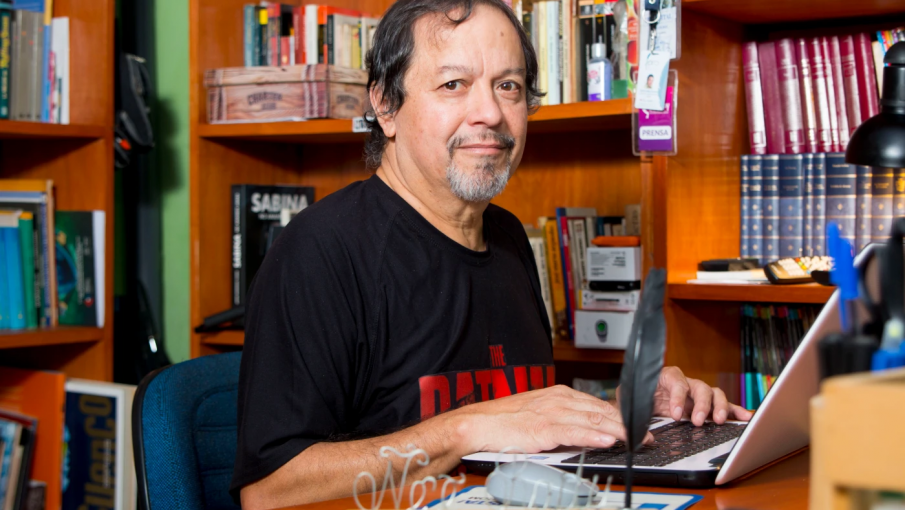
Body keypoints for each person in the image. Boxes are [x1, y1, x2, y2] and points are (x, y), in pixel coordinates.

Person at [231, 0, 752, 508]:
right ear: (386, 106)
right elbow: (269, 489)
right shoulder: (320, 251)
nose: (491, 114)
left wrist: (619, 414)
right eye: (453, 85)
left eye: (508, 86)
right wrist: (464, 430)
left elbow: (516, 423)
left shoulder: (506, 237)